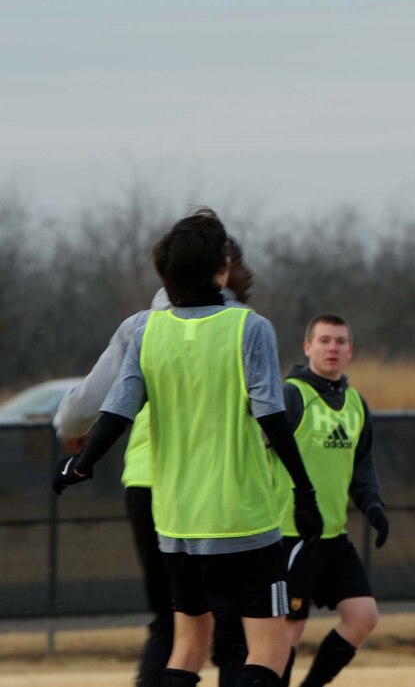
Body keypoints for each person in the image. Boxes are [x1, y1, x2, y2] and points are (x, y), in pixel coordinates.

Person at [52, 212, 323, 687]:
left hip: (175, 522)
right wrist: (304, 489)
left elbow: (117, 410)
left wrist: (81, 464)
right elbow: (271, 416)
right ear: (221, 269)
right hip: (245, 519)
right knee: (269, 648)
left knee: (187, 648)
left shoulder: (147, 330)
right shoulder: (249, 327)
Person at [274, 313, 389, 687]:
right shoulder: (292, 395)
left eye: (340, 341)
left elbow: (362, 466)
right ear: (308, 347)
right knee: (289, 629)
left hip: (332, 536)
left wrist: (373, 505)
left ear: (350, 350)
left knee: (362, 616)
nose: (333, 348)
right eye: (324, 340)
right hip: (291, 534)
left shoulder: (356, 404)